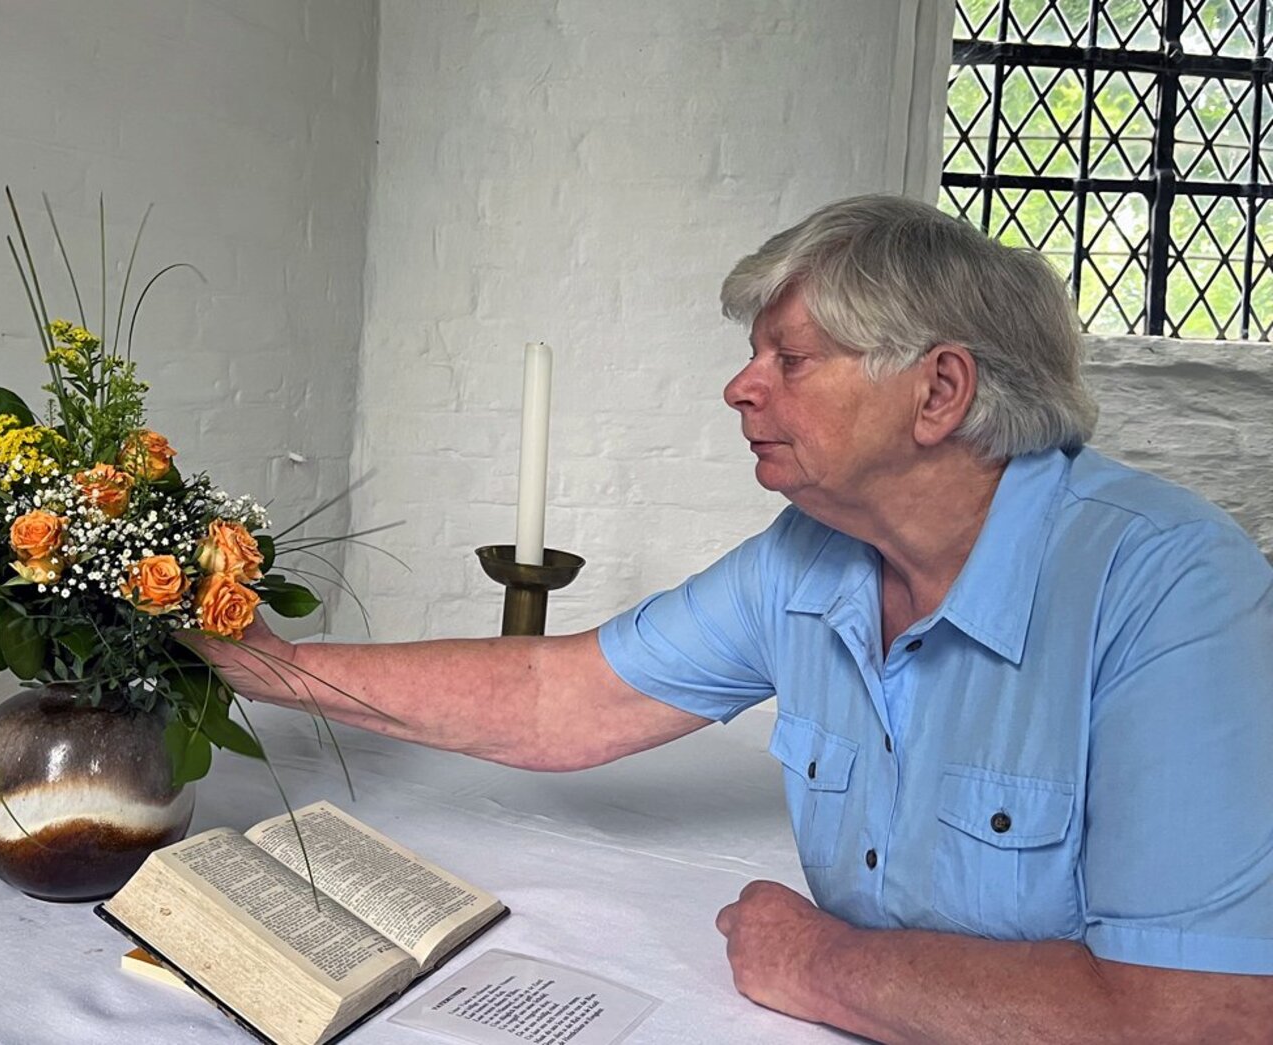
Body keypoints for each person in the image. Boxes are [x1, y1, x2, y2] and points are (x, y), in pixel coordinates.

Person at [189, 194, 1273, 1043]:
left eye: (788, 360)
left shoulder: (1169, 589)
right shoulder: (807, 555)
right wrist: (281, 669)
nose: (738, 389)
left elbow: (1198, 1017)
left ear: (938, 392)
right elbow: (556, 696)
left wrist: (816, 963)